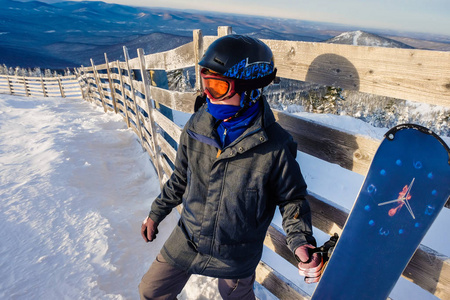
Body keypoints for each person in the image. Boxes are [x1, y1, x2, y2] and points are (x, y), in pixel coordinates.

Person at [139, 34, 322, 300]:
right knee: (151, 290)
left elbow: (292, 198)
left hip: (237, 250)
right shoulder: (196, 127)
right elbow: (180, 178)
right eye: (206, 84)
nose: (208, 96)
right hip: (189, 236)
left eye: (218, 87)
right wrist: (157, 213)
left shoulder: (275, 146)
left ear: (250, 91)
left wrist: (300, 241)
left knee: (235, 295)